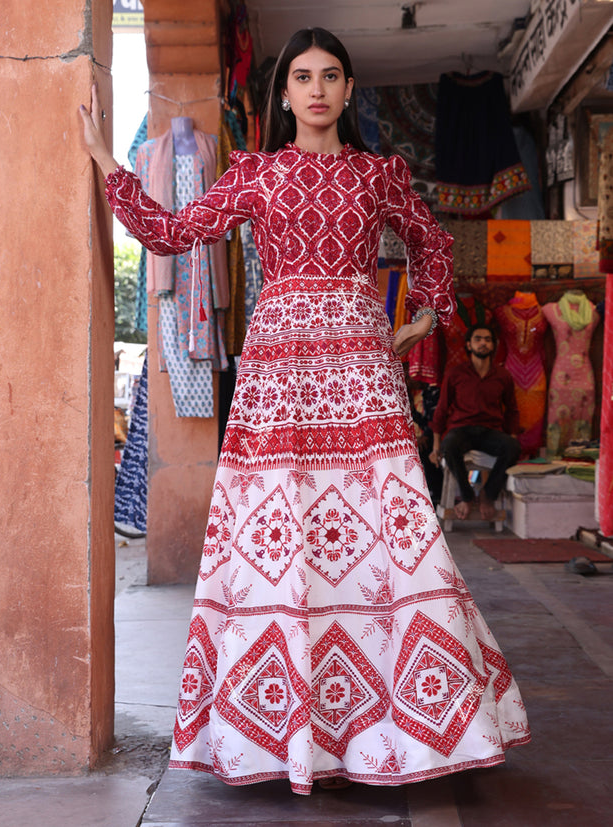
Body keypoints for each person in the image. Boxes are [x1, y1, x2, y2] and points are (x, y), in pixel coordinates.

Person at [80, 27, 529, 795]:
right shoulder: (256, 174)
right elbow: (172, 231)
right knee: (281, 542)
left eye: (330, 76)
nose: (316, 89)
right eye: (302, 77)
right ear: (282, 94)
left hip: (362, 373)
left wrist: (423, 314)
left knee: (392, 538)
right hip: (276, 385)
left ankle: (412, 730)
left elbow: (431, 242)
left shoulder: (378, 175)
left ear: (349, 90)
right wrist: (105, 165)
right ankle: (288, 734)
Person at [429, 324, 521, 521]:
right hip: (462, 430)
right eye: (478, 339)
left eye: (488, 339)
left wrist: (511, 438)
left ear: (493, 345)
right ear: (469, 345)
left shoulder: (502, 375)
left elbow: (512, 410)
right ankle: (467, 497)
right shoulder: (455, 374)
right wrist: (436, 446)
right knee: (450, 444)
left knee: (512, 446)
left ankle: (488, 495)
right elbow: (442, 409)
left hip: (490, 431)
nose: (483, 343)